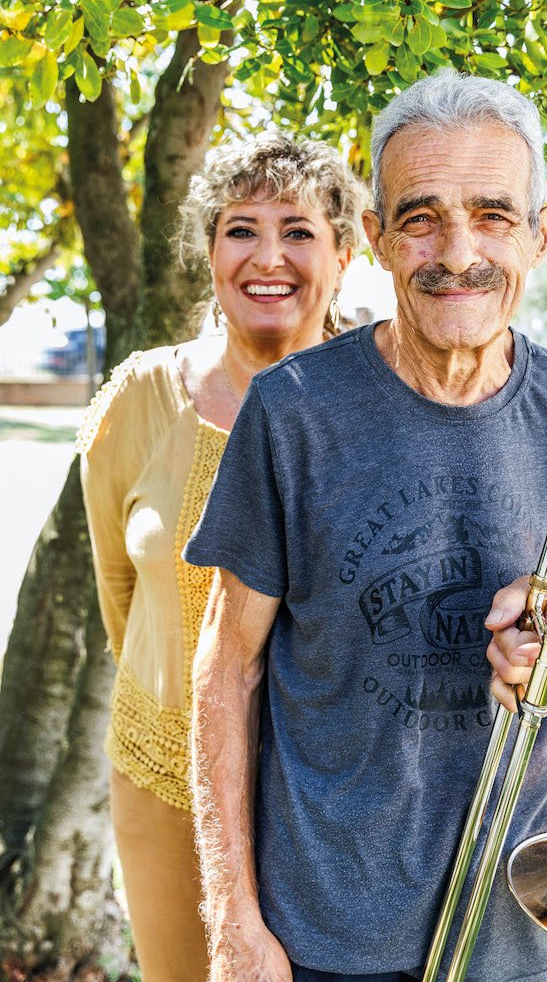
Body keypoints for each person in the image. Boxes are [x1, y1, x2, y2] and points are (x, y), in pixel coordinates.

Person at [184, 70, 547, 982]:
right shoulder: (292, 413)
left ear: (543, 234)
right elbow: (225, 666)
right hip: (330, 930)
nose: (457, 251)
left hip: (532, 916)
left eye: (493, 215)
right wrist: (231, 914)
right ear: (376, 237)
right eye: (421, 217)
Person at [77, 133, 367, 982]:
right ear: (207, 250)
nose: (267, 256)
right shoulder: (138, 398)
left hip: (333, 807)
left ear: (345, 256)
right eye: (241, 229)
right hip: (164, 788)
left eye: (300, 230)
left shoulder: (383, 404)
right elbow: (121, 598)